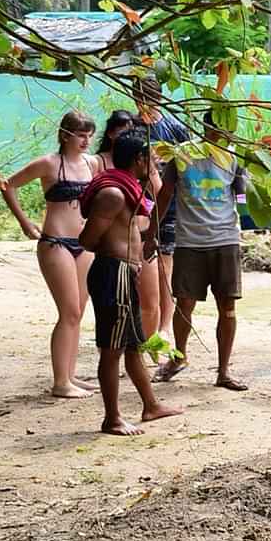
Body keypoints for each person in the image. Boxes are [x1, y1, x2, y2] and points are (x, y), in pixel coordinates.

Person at [77, 128, 183, 435]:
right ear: (138, 159)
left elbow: (153, 211)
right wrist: (119, 255)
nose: (153, 166)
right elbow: (87, 239)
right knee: (112, 349)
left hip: (124, 273)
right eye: (150, 160)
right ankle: (112, 418)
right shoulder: (113, 194)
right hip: (113, 274)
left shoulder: (129, 188)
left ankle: (150, 405)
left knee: (135, 346)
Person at [0, 111, 100, 398]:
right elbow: (8, 185)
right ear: (65, 135)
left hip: (85, 244)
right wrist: (25, 222)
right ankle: (60, 382)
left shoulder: (92, 164)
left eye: (89, 135)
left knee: (77, 312)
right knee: (68, 311)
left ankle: (70, 374)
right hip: (56, 242)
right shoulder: (49, 163)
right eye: (80, 135)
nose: (85, 141)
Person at [154, 110, 247, 391]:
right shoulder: (182, 154)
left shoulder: (235, 158)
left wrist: (250, 202)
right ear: (208, 126)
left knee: (227, 308)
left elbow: (240, 195)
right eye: (222, 126)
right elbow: (166, 192)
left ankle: (223, 371)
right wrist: (150, 232)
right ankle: (179, 358)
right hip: (189, 242)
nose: (225, 133)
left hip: (225, 239)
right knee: (184, 305)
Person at [98, 110, 163, 344]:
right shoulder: (106, 172)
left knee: (150, 300)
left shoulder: (145, 170)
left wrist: (150, 168)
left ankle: (145, 347)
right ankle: (124, 350)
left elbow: (159, 192)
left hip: (142, 240)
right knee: (119, 307)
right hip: (118, 249)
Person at [133, 75, 191, 337]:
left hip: (169, 203)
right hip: (136, 204)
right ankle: (141, 322)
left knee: (164, 267)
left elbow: (189, 163)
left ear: (159, 98)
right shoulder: (130, 128)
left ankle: (165, 326)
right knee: (138, 266)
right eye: (140, 98)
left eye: (150, 99)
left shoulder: (174, 128)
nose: (145, 104)